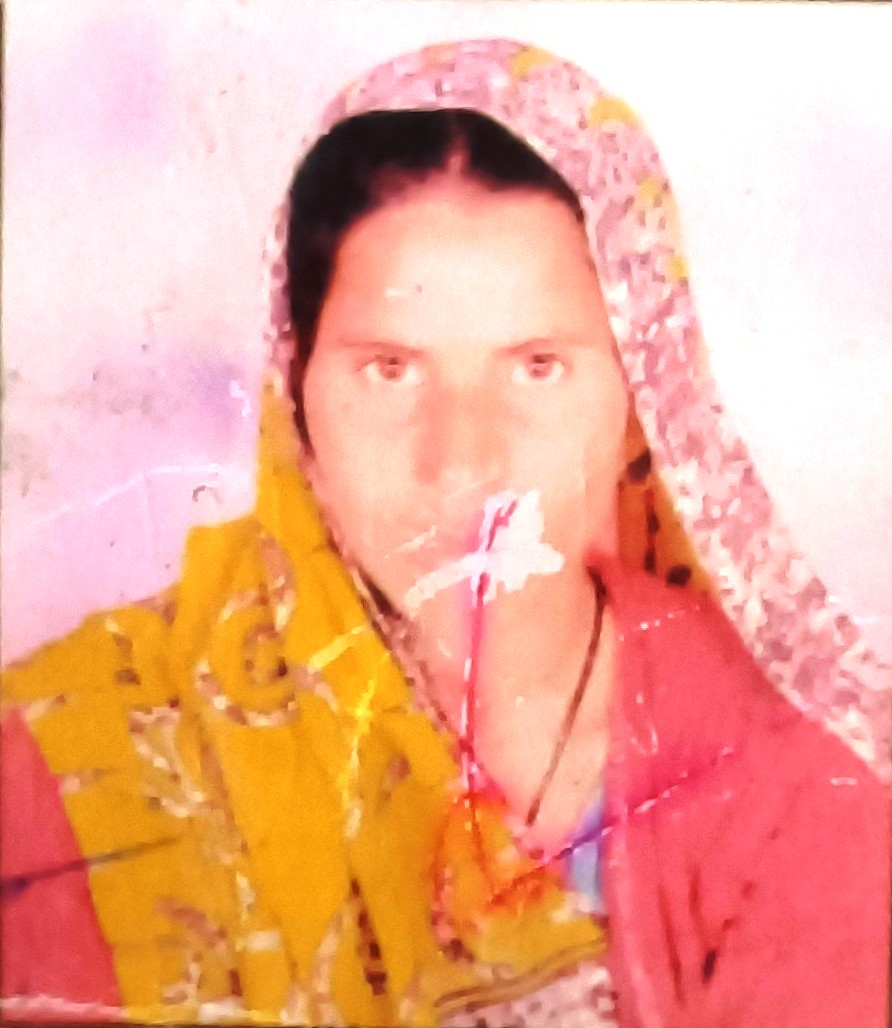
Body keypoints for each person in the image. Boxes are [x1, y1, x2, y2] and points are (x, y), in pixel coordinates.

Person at [1, 39, 889, 1028]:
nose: (463, 460)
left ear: (643, 400)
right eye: (390, 369)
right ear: (295, 398)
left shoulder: (797, 784)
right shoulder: (80, 753)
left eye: (537, 366)